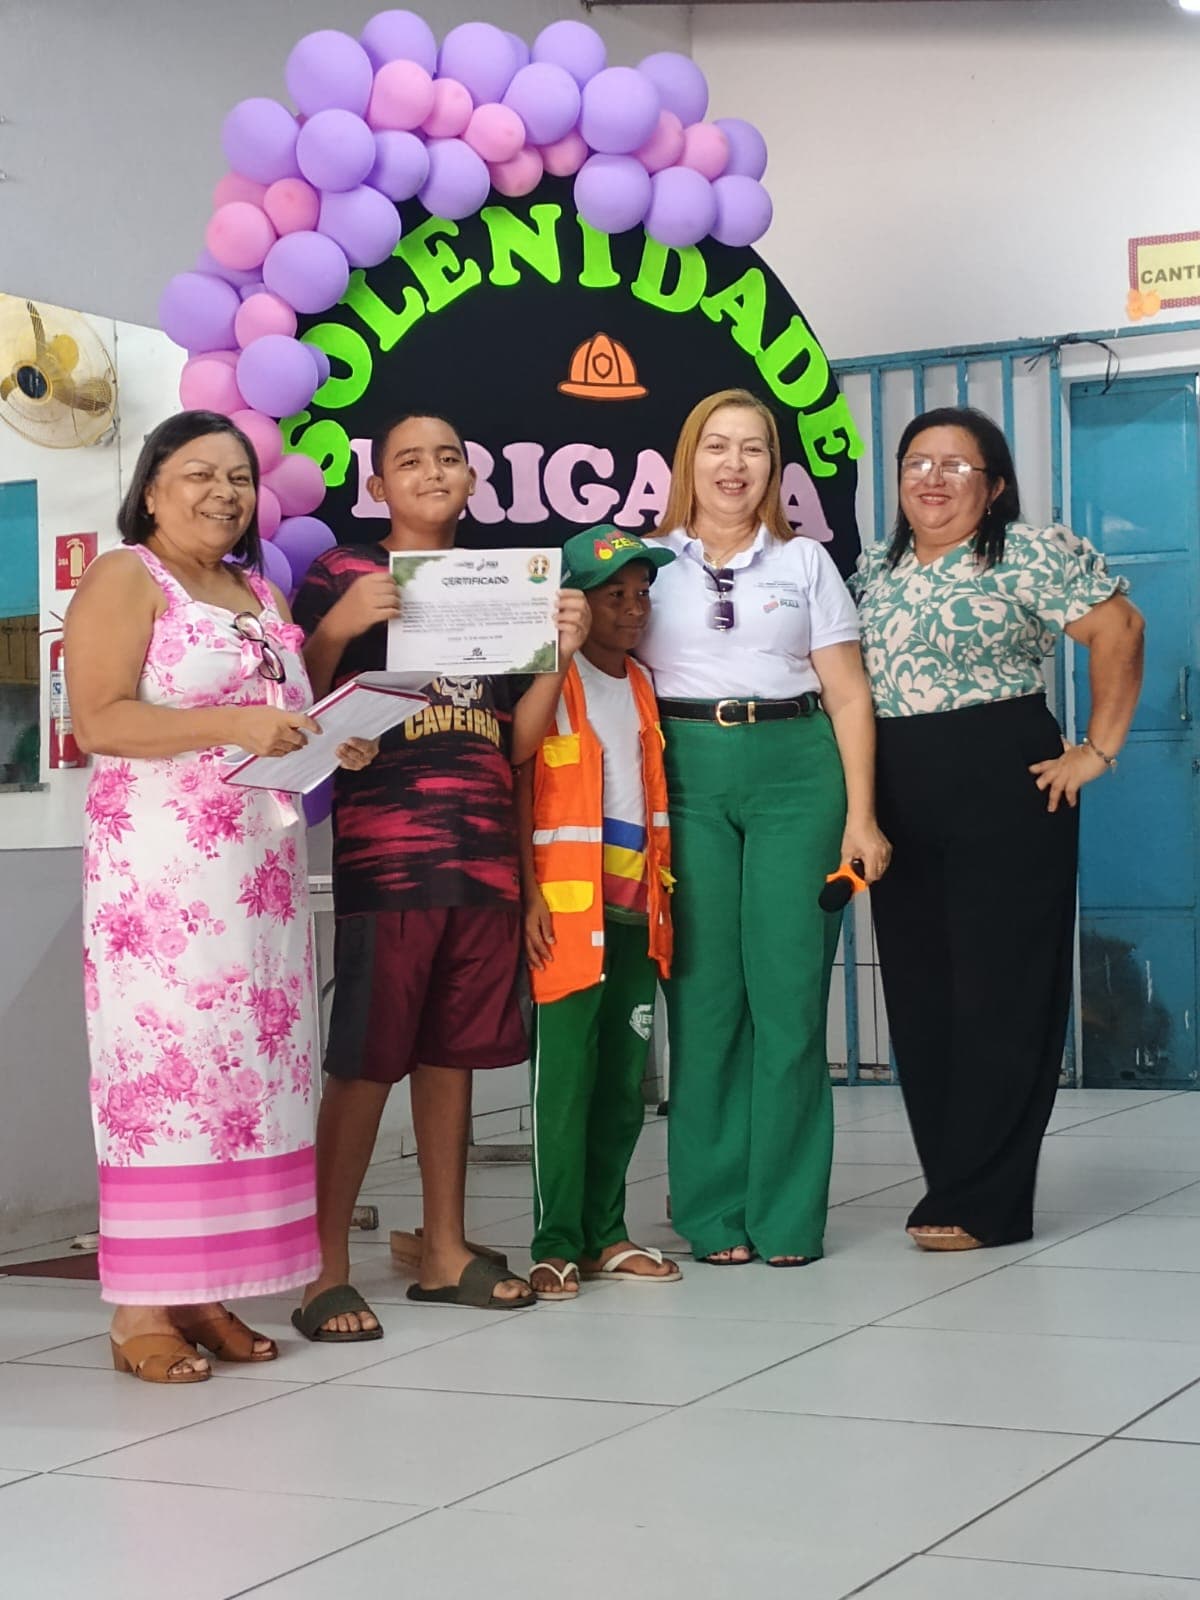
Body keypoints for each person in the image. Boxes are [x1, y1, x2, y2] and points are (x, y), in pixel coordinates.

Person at [66, 410, 377, 1384]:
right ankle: (139, 1309)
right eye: (198, 473)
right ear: (151, 487)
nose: (223, 493)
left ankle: (205, 1287)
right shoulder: (128, 576)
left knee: (249, 1080)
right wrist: (238, 720)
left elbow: (277, 714)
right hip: (163, 884)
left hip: (261, 877)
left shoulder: (253, 583)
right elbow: (99, 717)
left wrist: (329, 734)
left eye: (239, 477)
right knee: (171, 1077)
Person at [291, 412, 590, 1334]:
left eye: (449, 458)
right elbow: (294, 703)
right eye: (408, 460)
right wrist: (339, 627)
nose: (433, 470)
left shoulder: (503, 585)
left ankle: (446, 1248)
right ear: (378, 485)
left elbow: (520, 743)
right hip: (389, 856)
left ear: (472, 479)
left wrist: (557, 655)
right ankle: (322, 1268)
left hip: (483, 857)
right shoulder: (340, 572)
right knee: (363, 1061)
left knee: (453, 1055)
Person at [853, 406, 1144, 1250]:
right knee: (920, 994)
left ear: (995, 486)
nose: (932, 479)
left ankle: (989, 1199)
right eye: (917, 462)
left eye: (957, 466)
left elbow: (1119, 629)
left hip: (1004, 784)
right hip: (899, 790)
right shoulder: (876, 565)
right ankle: (948, 1181)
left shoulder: (1026, 550)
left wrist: (1098, 750)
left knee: (999, 994)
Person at [639, 388, 890, 1268]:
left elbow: (849, 692)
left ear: (774, 467)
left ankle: (786, 1216)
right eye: (716, 446)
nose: (734, 465)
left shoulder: (807, 563)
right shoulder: (644, 561)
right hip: (684, 774)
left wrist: (862, 816)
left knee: (787, 999)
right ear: (688, 459)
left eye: (752, 448)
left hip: (796, 775)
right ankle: (710, 1212)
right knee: (704, 1001)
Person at [517, 527, 683, 1301]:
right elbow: (519, 782)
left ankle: (605, 1233)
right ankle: (554, 1242)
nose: (632, 608)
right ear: (574, 603)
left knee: (623, 1083)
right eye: (613, 594)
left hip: (634, 912)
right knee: (567, 1084)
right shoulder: (556, 680)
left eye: (642, 594)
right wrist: (529, 895)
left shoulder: (643, 685)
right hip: (568, 918)